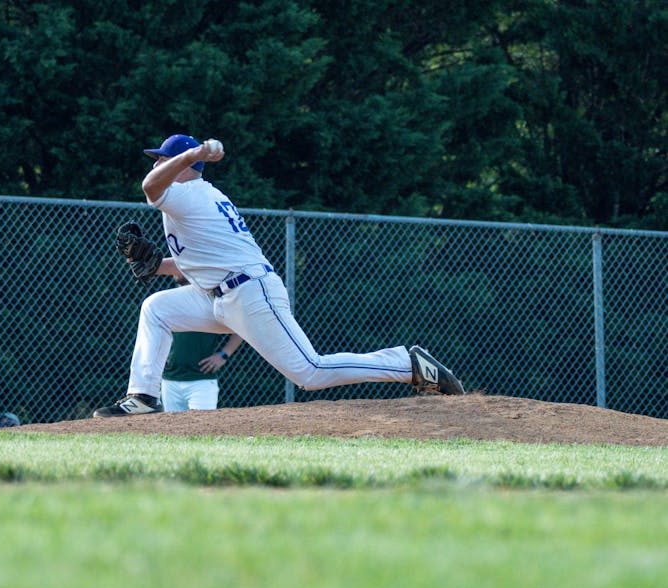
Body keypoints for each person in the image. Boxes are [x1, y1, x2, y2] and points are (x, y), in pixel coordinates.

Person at [93, 134, 464, 417]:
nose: (156, 166)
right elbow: (203, 263)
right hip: (220, 294)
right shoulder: (194, 198)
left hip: (249, 294)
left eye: (162, 160)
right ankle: (142, 396)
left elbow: (149, 187)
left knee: (310, 372)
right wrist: (158, 265)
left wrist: (195, 154)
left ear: (184, 167)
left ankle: (408, 364)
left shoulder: (185, 193)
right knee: (157, 308)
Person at [162, 329, 244, 411]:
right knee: (172, 423)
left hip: (202, 380)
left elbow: (240, 327)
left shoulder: (212, 315)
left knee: (203, 423)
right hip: (169, 381)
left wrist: (224, 355)